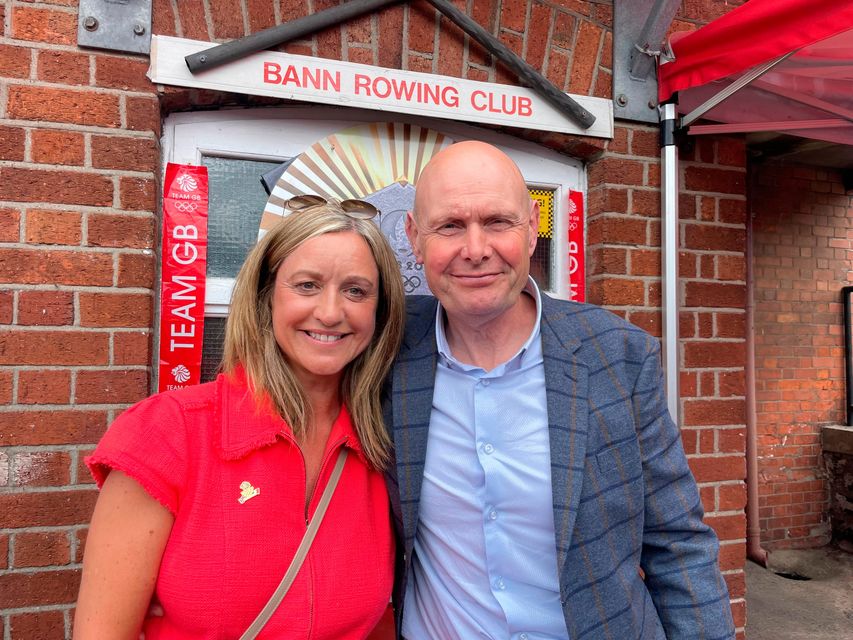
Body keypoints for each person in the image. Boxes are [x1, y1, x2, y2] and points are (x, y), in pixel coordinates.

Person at [385, 141, 736, 639]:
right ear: (414, 238)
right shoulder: (385, 353)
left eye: (498, 222)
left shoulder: (619, 357)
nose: (476, 248)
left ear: (532, 227)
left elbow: (677, 544)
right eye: (450, 226)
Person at [75, 197, 405, 639]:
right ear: (265, 297)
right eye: (307, 285)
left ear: (379, 313)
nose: (330, 311)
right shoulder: (169, 433)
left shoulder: (382, 447)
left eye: (356, 291)